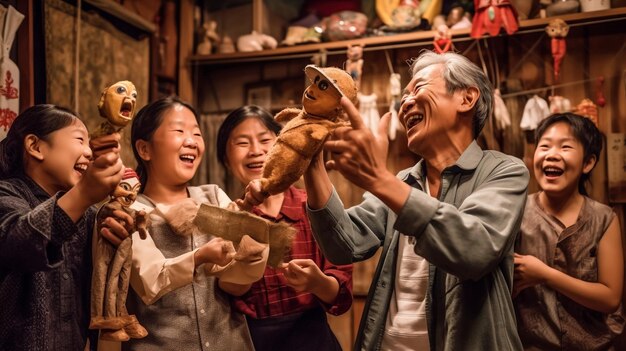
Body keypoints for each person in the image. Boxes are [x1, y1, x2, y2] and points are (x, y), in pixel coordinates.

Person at [244, 51, 530, 350]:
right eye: (404, 96)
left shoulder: (503, 171)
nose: (405, 103)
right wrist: (311, 157)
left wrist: (379, 179)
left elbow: (475, 250)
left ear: (466, 99)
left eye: (418, 88)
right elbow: (344, 245)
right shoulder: (405, 181)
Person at [108, 96, 254, 350]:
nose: (192, 141)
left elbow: (237, 284)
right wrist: (201, 256)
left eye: (196, 134)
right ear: (145, 150)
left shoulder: (214, 196)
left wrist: (252, 252)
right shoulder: (130, 210)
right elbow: (149, 281)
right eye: (179, 131)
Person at [216, 105, 353, 351]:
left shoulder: (314, 208)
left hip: (315, 340)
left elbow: (341, 295)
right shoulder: (228, 220)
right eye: (242, 143)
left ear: (282, 146)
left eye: (264, 140)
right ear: (226, 160)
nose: (255, 151)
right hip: (252, 342)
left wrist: (318, 283)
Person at [0, 104, 124, 350]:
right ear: (36, 146)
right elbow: (19, 241)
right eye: (80, 140)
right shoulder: (6, 193)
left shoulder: (88, 213)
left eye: (89, 143)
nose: (89, 152)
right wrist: (83, 194)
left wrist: (114, 235)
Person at [513, 113, 624, 350]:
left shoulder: (603, 218)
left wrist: (545, 274)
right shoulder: (515, 213)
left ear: (588, 163)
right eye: (544, 146)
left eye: (565, 147)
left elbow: (611, 298)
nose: (552, 154)